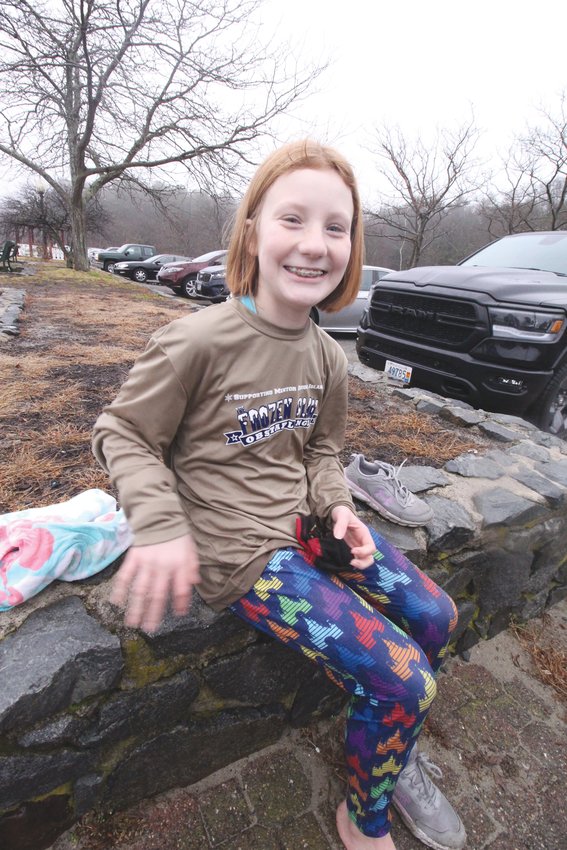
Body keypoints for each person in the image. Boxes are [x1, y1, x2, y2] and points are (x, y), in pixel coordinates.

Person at [92, 140, 465, 850]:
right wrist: (160, 525)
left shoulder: (326, 353)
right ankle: (364, 816)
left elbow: (322, 450)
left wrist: (342, 508)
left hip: (307, 526)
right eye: (292, 219)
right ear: (253, 231)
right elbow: (122, 433)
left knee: (437, 615)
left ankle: (394, 749)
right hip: (241, 552)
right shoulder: (195, 341)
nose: (313, 244)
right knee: (405, 682)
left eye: (335, 227)